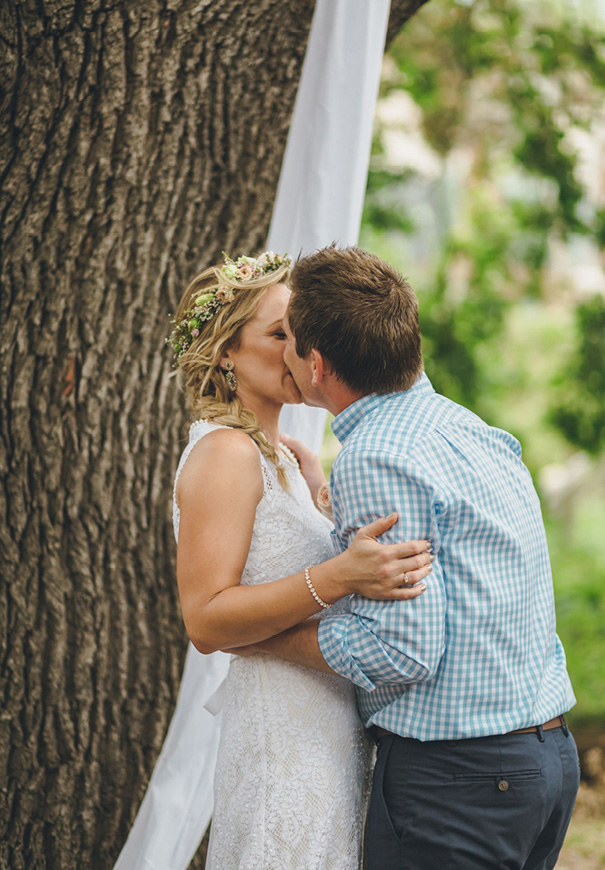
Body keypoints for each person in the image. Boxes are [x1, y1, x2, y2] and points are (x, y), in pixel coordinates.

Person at [237, 245, 580, 870]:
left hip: (459, 780)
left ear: (316, 365)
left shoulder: (376, 456)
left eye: (288, 338)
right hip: (546, 761)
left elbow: (403, 650)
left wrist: (265, 637)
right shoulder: (467, 428)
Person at [167, 250, 433, 869]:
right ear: (225, 352)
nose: (298, 345)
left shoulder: (282, 458)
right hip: (281, 734)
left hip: (330, 724)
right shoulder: (226, 454)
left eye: (301, 331)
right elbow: (205, 621)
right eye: (278, 332)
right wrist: (337, 573)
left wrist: (319, 505)